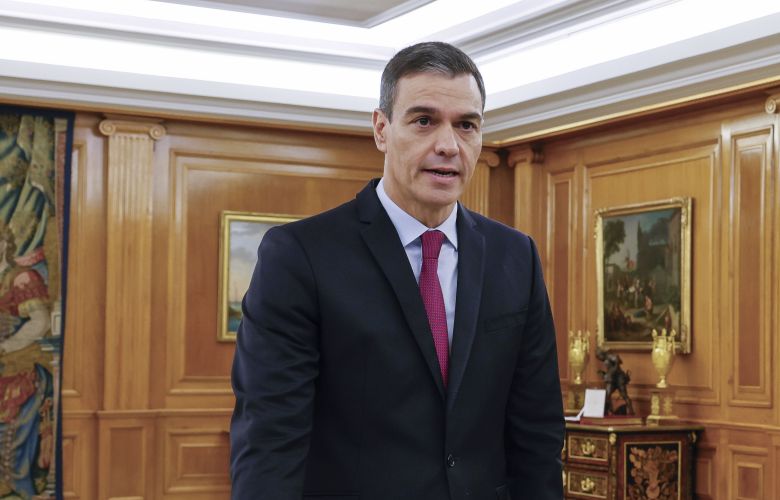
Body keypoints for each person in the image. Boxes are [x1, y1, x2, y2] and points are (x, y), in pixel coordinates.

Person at [230, 41, 564, 500]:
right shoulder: (300, 256)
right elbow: (269, 441)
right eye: (424, 120)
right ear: (381, 129)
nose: (448, 145)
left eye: (466, 125)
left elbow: (538, 432)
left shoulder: (516, 256)